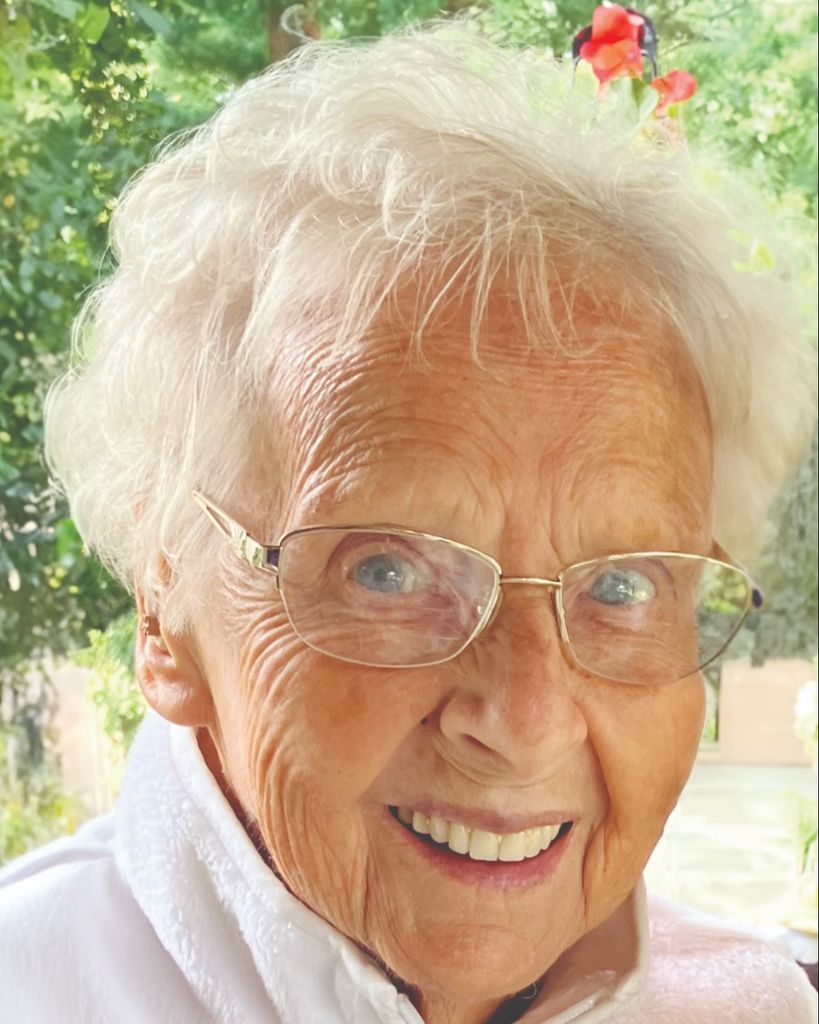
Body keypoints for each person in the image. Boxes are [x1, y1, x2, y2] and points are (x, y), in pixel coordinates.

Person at [0, 20, 816, 1024]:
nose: (524, 721)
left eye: (621, 586)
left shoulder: (749, 1009)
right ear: (165, 609)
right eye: (385, 571)